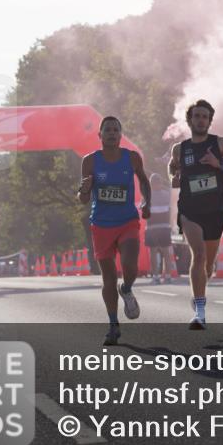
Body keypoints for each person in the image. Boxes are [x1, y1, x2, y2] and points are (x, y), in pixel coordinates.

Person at [168, 100, 223, 329]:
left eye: (205, 116)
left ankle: (201, 289)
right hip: (190, 210)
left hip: (215, 210)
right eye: (197, 116)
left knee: (208, 265)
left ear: (210, 121)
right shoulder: (180, 148)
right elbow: (173, 167)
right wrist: (174, 175)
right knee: (199, 255)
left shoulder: (220, 144)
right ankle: (200, 313)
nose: (201, 120)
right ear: (190, 120)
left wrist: (219, 164)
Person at [77, 116, 151, 346]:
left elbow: (144, 181)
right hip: (101, 225)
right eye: (107, 130)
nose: (111, 133)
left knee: (130, 266)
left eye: (115, 130)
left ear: (120, 135)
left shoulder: (132, 157)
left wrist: (147, 202)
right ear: (99, 135)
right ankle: (113, 325)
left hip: (127, 220)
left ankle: (127, 288)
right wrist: (85, 190)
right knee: (108, 278)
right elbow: (83, 198)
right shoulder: (90, 162)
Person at [145, 172, 174, 284]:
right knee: (165, 251)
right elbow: (171, 210)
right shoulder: (167, 194)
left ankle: (156, 276)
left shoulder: (147, 195)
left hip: (152, 227)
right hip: (164, 227)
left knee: (154, 252)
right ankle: (167, 276)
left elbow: (144, 211)